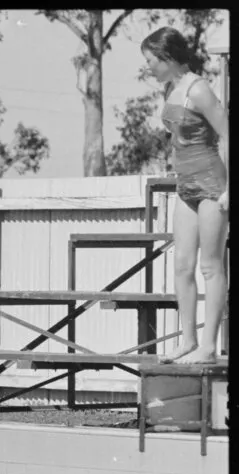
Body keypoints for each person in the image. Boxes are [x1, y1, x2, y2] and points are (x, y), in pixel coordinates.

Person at [142, 27, 229, 364]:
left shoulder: (199, 88)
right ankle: (188, 341)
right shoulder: (170, 87)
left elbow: (227, 134)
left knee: (210, 266)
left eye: (150, 60)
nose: (148, 67)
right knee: (182, 266)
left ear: (167, 56)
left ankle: (208, 346)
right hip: (186, 186)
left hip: (211, 184)